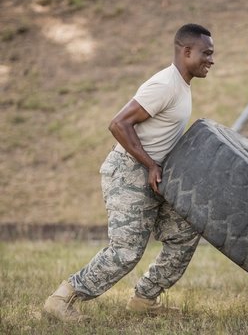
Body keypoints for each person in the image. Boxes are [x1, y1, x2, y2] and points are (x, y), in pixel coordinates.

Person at [43, 23, 215, 322]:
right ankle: (62, 299)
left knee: (185, 232)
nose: (211, 60)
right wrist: (150, 165)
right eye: (206, 53)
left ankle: (144, 299)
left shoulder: (181, 85)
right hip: (128, 172)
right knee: (126, 251)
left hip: (155, 175)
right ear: (187, 51)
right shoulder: (164, 84)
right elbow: (118, 124)